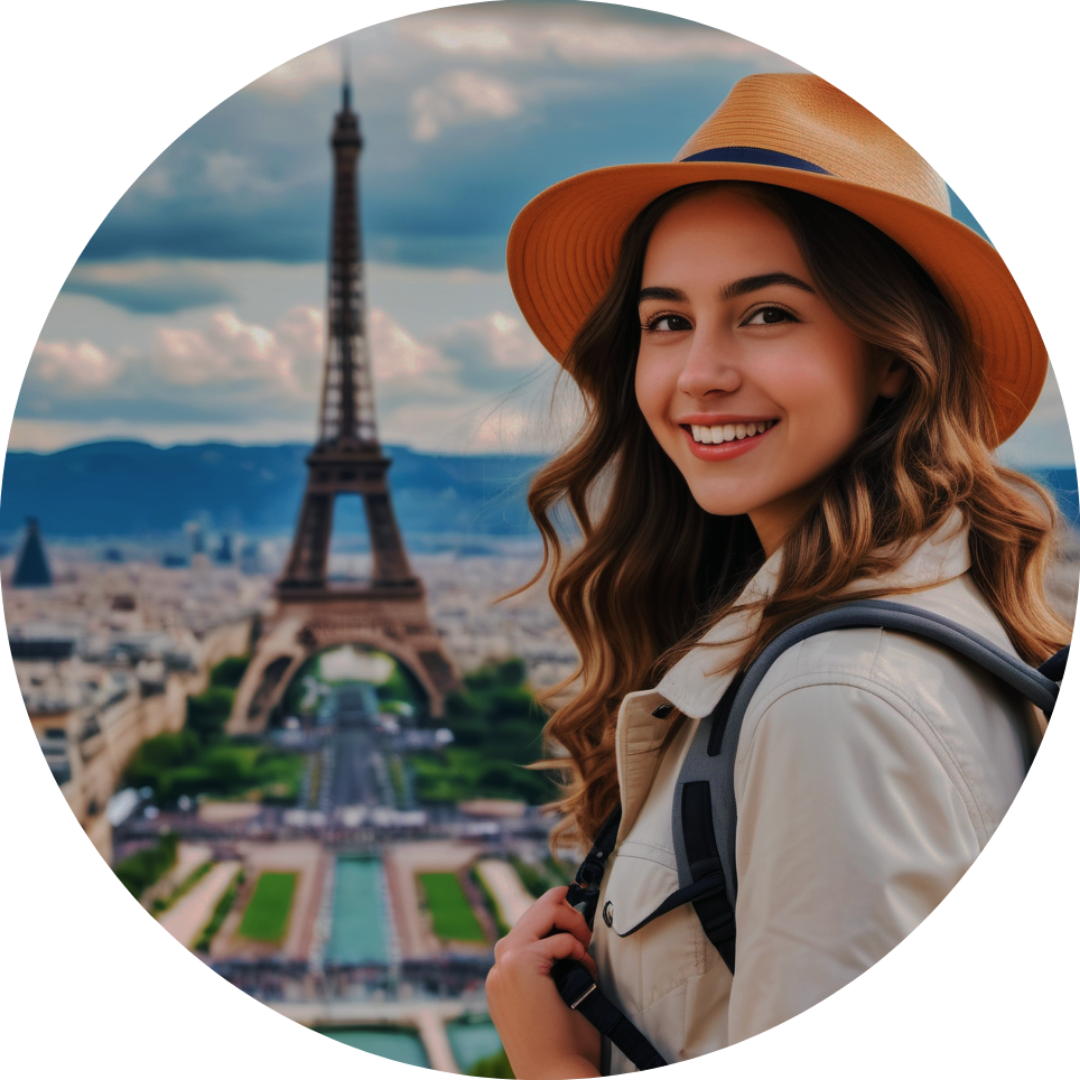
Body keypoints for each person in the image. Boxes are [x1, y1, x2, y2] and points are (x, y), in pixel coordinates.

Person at [484, 73, 1073, 1080]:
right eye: (667, 322)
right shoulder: (910, 643)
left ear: (892, 356)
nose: (700, 373)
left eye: (765, 315)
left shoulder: (836, 698)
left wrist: (549, 1065)